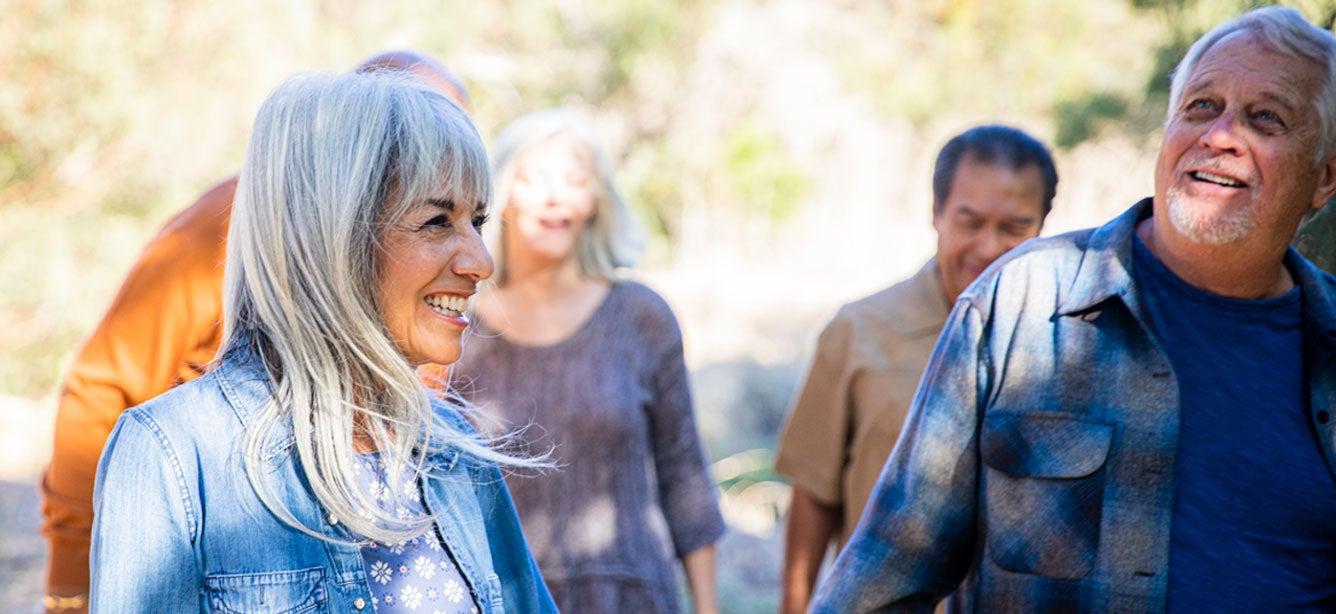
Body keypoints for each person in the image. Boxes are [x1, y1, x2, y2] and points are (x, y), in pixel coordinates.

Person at [812, 6, 1336, 612]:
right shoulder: (1021, 304)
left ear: (1324, 179)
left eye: (1265, 118)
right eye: (1199, 106)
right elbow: (881, 581)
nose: (1218, 136)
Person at [89, 71, 555, 613]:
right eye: (436, 221)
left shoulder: (453, 451)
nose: (481, 261)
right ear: (332, 238)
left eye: (476, 221)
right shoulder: (173, 457)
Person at [448, 109, 725, 613]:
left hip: (630, 597)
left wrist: (706, 607)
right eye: (536, 179)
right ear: (502, 192)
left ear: (596, 200)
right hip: (500, 596)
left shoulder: (642, 316)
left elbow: (684, 473)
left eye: (575, 180)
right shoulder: (455, 323)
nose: (556, 196)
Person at [774, 125, 1057, 614]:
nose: (988, 247)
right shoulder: (859, 331)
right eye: (969, 222)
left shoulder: (1070, 344)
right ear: (936, 214)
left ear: (1042, 225)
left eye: (1013, 227)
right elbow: (815, 493)